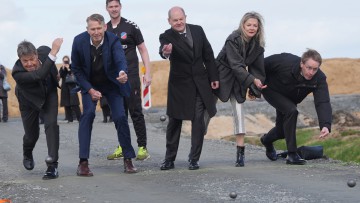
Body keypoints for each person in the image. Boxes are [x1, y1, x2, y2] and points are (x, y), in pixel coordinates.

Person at [71, 13, 137, 175]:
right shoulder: (78, 41)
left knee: (120, 116)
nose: (96, 32)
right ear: (87, 30)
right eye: (92, 29)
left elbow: (120, 59)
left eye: (99, 28)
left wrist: (122, 72)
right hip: (89, 84)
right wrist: (90, 89)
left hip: (111, 83)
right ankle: (83, 163)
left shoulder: (113, 40)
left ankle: (128, 159)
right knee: (87, 115)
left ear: (104, 27)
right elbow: (77, 70)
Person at [158, 6, 219, 170]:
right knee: (174, 121)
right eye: (175, 20)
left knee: (198, 120)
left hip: (200, 82)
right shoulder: (166, 35)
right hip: (179, 85)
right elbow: (163, 50)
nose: (178, 22)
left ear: (185, 17)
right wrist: (166, 51)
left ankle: (194, 159)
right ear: (169, 21)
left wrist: (214, 77)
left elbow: (208, 54)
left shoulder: (198, 30)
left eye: (180, 19)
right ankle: (169, 159)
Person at [260, 49, 332, 165]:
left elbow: (322, 101)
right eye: (309, 68)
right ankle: (292, 154)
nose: (311, 72)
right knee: (292, 111)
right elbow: (260, 65)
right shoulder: (285, 61)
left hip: (289, 98)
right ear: (301, 64)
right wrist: (254, 85)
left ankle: (266, 140)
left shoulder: (319, 78)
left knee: (282, 131)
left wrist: (325, 125)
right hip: (271, 89)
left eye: (315, 69)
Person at [214, 12, 267, 167]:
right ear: (242, 25)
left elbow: (258, 70)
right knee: (206, 111)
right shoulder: (233, 38)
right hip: (220, 75)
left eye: (255, 25)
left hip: (239, 78)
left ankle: (240, 153)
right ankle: (194, 151)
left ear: (258, 28)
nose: (251, 28)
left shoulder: (258, 46)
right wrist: (251, 80)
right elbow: (236, 65)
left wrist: (255, 87)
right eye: (248, 24)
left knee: (239, 112)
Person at [105, 0, 152, 161]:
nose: (114, 9)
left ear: (120, 7)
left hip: (131, 75)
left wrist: (148, 72)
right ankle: (122, 146)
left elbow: (143, 50)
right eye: (111, 7)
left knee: (135, 111)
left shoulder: (131, 26)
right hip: (114, 78)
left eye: (116, 6)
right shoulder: (105, 28)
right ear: (107, 9)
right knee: (119, 114)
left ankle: (142, 147)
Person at [12, 38, 63, 180]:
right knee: (31, 135)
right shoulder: (17, 73)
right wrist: (55, 51)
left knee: (51, 124)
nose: (29, 64)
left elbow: (51, 68)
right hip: (28, 100)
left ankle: (52, 165)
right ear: (20, 60)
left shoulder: (45, 51)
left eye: (31, 59)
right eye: (25, 61)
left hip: (49, 94)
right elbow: (40, 75)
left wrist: (57, 77)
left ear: (36, 54)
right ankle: (27, 152)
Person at [59, 55, 81, 122]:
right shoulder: (61, 68)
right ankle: (69, 119)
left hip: (72, 87)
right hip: (65, 87)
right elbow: (60, 76)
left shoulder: (72, 66)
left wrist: (68, 69)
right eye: (64, 61)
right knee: (66, 104)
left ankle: (79, 118)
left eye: (67, 60)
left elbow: (73, 74)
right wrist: (63, 68)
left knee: (74, 103)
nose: (66, 62)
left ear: (69, 60)